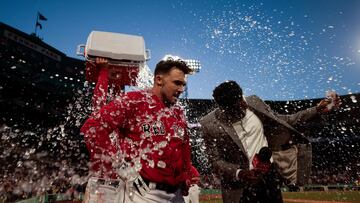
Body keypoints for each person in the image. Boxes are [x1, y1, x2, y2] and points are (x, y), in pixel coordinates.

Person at [199, 80, 341, 203]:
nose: (242, 107)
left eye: (241, 101)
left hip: (268, 177)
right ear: (223, 108)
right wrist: (239, 172)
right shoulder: (209, 124)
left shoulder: (253, 102)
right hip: (239, 185)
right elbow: (215, 160)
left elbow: (285, 120)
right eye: (236, 108)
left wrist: (316, 110)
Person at [80, 56, 193, 203]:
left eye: (183, 84)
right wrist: (119, 166)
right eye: (177, 83)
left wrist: (186, 175)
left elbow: (184, 146)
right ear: (159, 80)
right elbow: (93, 128)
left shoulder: (178, 112)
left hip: (176, 194)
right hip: (143, 194)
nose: (181, 89)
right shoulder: (134, 100)